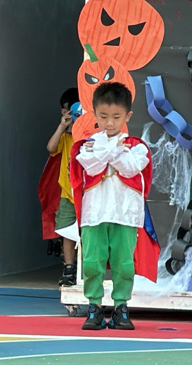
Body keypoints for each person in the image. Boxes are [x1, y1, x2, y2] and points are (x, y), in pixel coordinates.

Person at [68, 82, 155, 331]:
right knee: (92, 262)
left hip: (125, 214)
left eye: (116, 117)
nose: (109, 123)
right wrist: (114, 150)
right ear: (94, 114)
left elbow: (131, 168)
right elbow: (91, 165)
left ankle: (121, 307)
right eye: (103, 116)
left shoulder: (137, 147)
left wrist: (109, 151)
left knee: (124, 264)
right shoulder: (86, 145)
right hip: (94, 214)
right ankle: (94, 307)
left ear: (127, 116)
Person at [41, 88, 79, 286]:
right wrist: (62, 127)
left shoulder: (90, 135)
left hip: (87, 194)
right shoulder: (65, 137)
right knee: (66, 230)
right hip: (67, 193)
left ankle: (85, 268)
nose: (66, 114)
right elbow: (51, 148)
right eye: (64, 111)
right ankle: (69, 268)